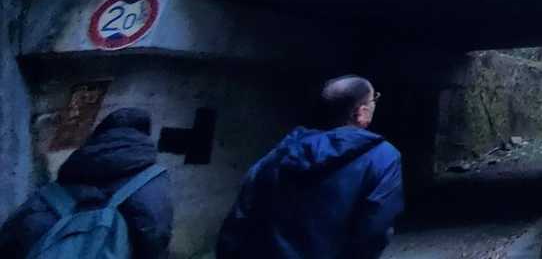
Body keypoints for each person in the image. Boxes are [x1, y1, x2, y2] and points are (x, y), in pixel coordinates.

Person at [216, 75, 403, 259]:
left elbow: (238, 221)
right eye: (374, 99)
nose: (375, 103)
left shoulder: (280, 153)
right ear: (361, 113)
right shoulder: (383, 157)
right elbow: (374, 231)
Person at [0, 107, 173, 259]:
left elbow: (18, 227)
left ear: (102, 132)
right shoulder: (152, 180)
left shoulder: (77, 163)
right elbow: (155, 233)